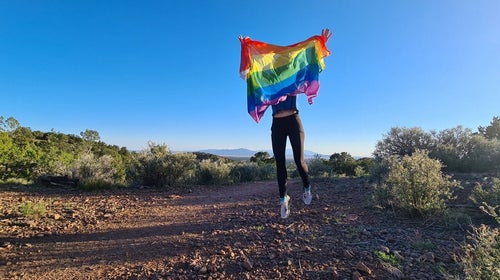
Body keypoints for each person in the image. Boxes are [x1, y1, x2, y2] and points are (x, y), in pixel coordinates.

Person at [272, 28, 332, 219]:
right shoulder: (269, 83)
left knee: (299, 161)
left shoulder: (294, 78)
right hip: (277, 124)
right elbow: (252, 74)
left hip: (293, 121)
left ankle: (307, 188)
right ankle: (283, 200)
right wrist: (246, 48)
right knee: (279, 163)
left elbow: (311, 65)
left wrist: (321, 44)